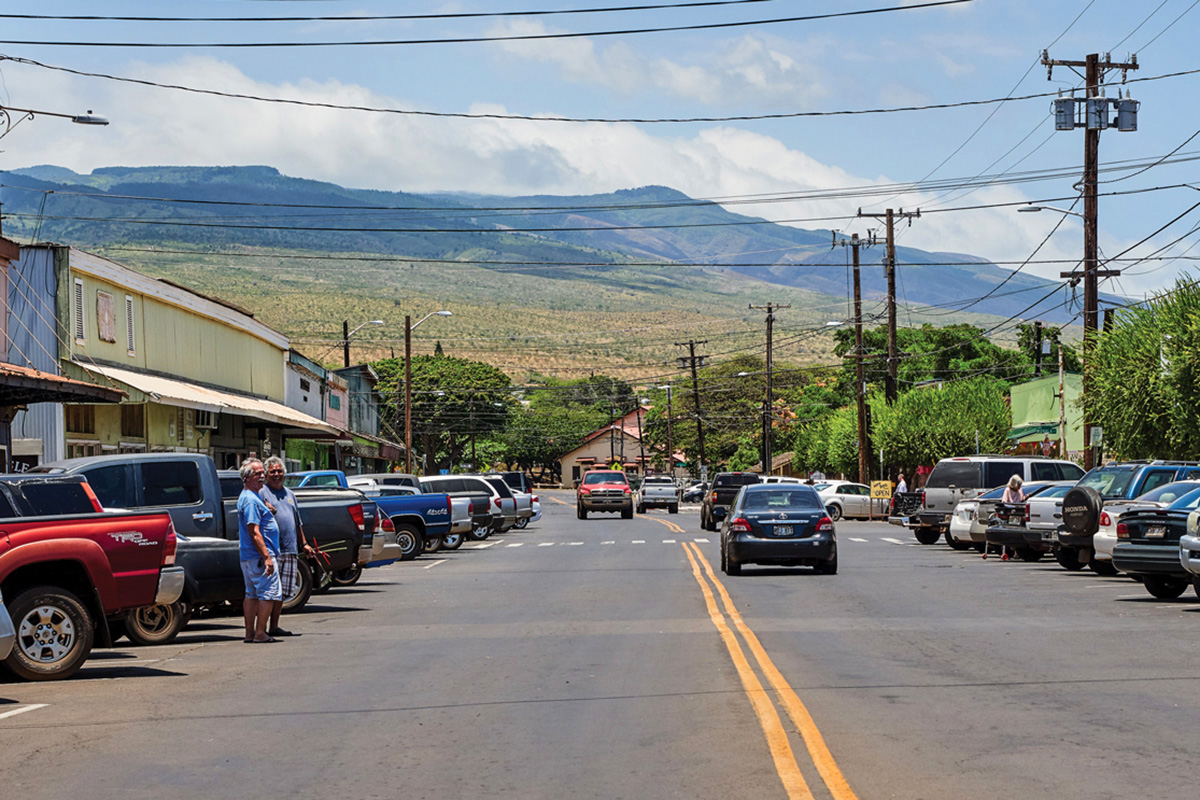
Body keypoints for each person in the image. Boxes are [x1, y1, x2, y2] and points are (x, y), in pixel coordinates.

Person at [260, 456, 314, 638]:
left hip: (290, 550)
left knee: (282, 592)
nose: (277, 474)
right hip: (272, 550)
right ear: (266, 474)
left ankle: (274, 626)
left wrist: (304, 544)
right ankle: (262, 628)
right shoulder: (261, 493)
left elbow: (298, 523)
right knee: (270, 591)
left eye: (279, 471)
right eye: (272, 471)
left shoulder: (290, 495)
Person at [238, 458, 283, 643]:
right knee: (268, 593)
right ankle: (260, 633)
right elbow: (254, 531)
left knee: (252, 594)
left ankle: (250, 633)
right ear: (247, 477)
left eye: (262, 473)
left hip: (249, 556)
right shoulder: (250, 500)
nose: (262, 477)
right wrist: (267, 557)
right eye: (258, 474)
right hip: (257, 556)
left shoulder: (252, 497)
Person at [996, 475, 1027, 561]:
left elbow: (1021, 499)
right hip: (1010, 513)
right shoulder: (1008, 490)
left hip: (1018, 512)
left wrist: (1026, 497)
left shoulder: (1019, 490)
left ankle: (1017, 552)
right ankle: (1007, 551)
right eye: (1018, 485)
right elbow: (1005, 501)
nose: (1019, 487)